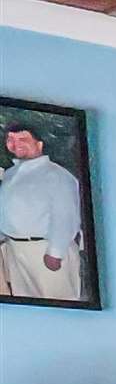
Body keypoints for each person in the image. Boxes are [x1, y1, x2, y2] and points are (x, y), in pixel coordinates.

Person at [0, 122, 86, 304]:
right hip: (15, 252)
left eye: (23, 139)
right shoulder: (10, 175)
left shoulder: (57, 175)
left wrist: (55, 252)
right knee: (27, 305)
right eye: (10, 139)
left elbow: (65, 216)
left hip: (45, 252)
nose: (15, 144)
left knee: (60, 304)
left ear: (39, 144)